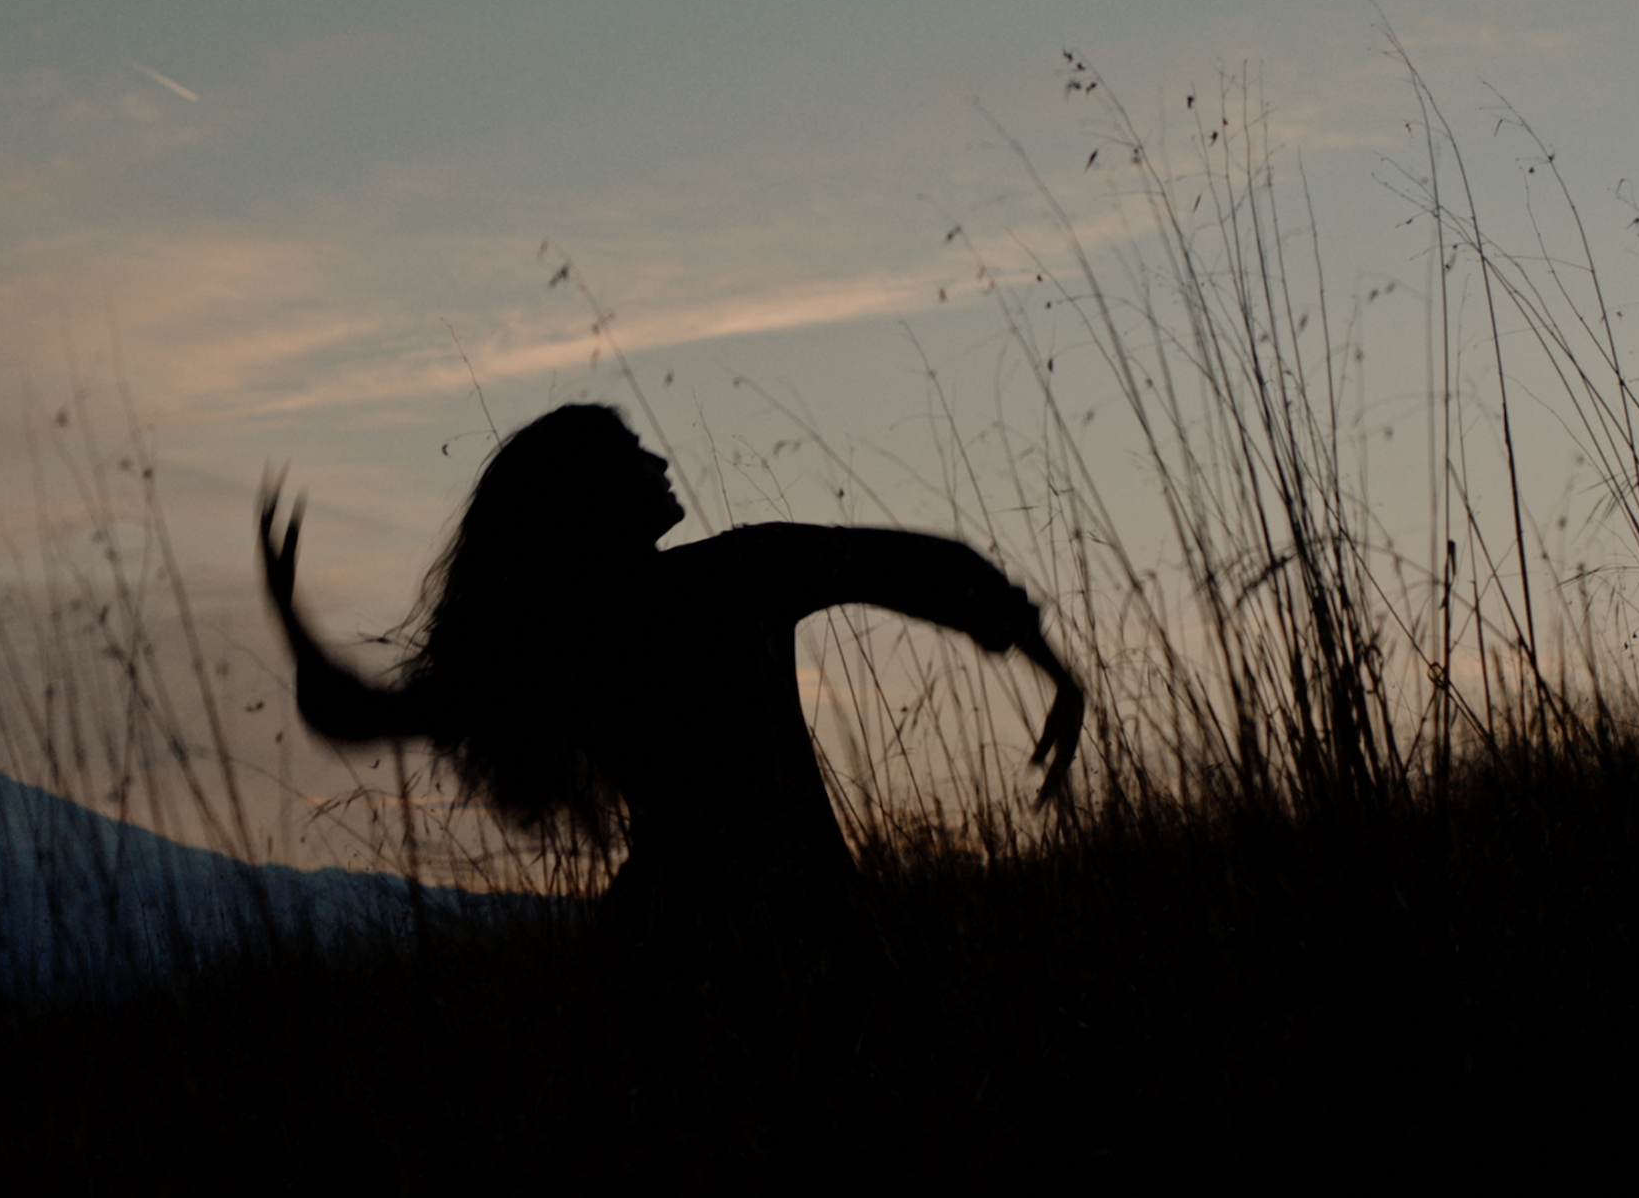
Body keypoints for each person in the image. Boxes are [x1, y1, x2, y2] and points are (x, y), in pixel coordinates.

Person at [258, 403, 1083, 948]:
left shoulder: (543, 644)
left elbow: (354, 713)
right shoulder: (736, 575)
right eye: (627, 453)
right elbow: (917, 565)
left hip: (662, 930)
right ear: (585, 497)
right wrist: (1052, 666)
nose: (655, 456)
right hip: (805, 923)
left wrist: (288, 616)